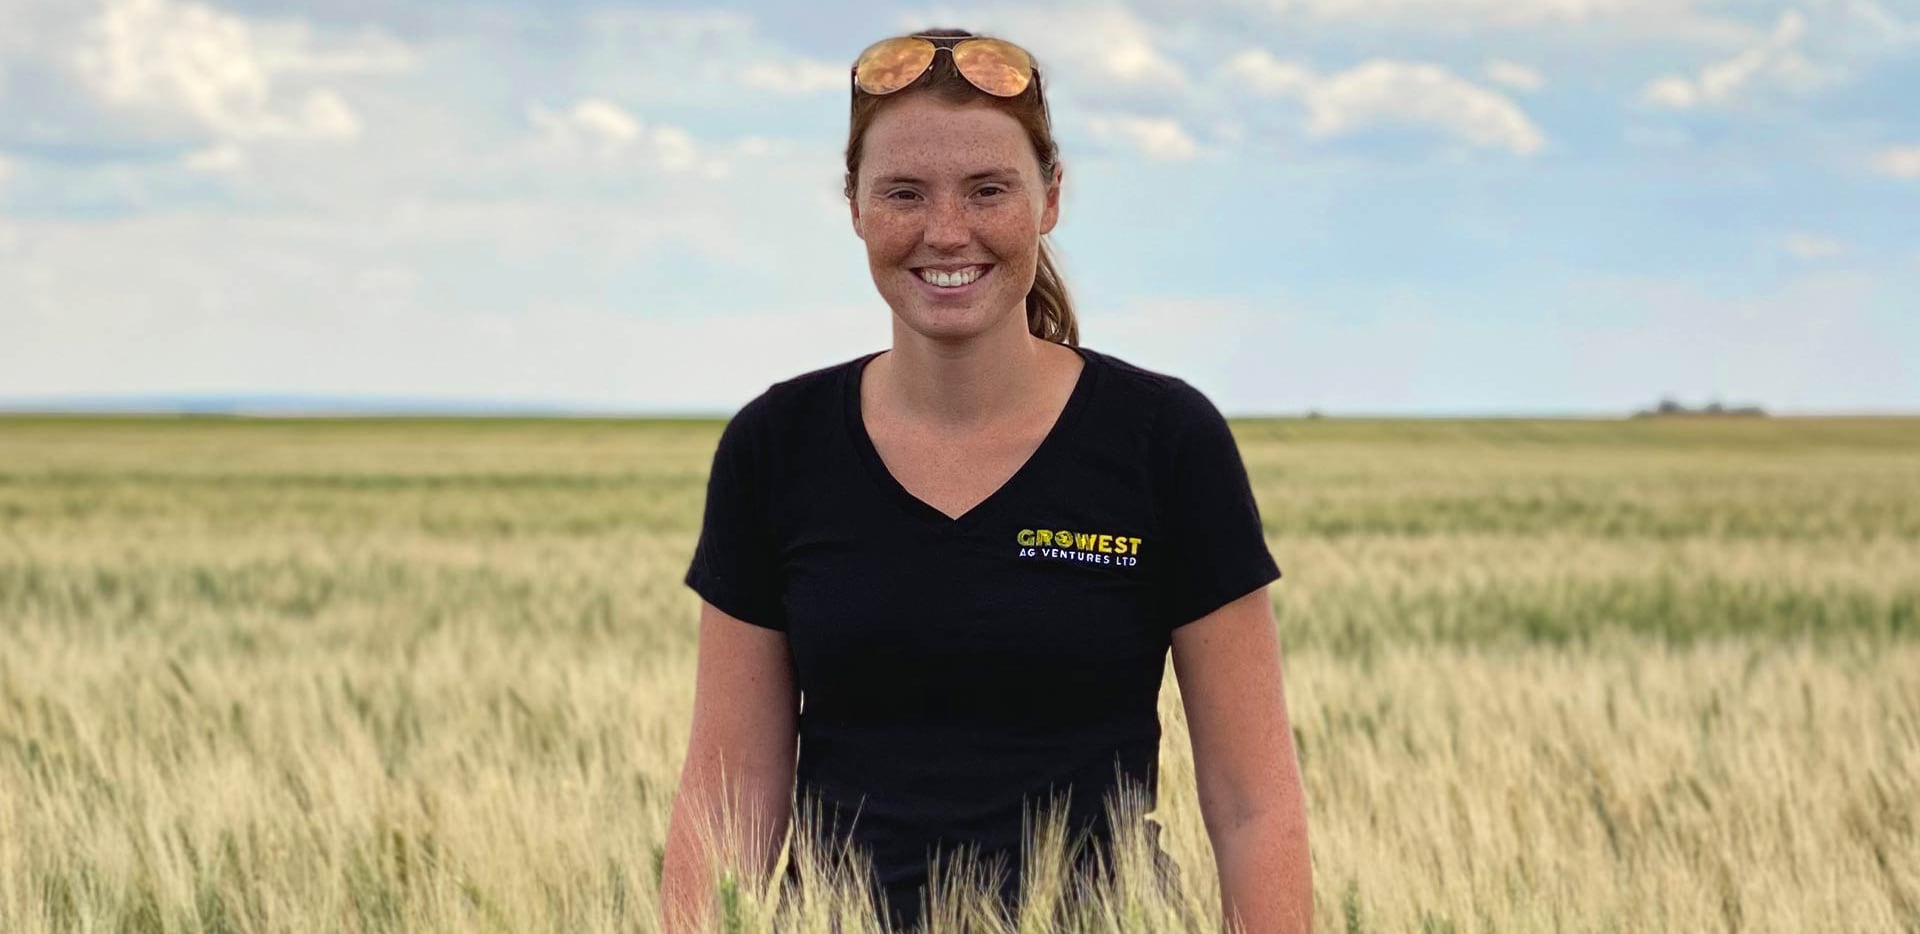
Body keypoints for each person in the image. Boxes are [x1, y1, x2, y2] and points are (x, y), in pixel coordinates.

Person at [659, 27, 1312, 933]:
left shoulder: (1165, 440)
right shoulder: (776, 446)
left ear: (1050, 198)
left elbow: (1253, 806)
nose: (946, 231)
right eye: (903, 193)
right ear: (853, 206)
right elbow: (728, 804)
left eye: (987, 190)